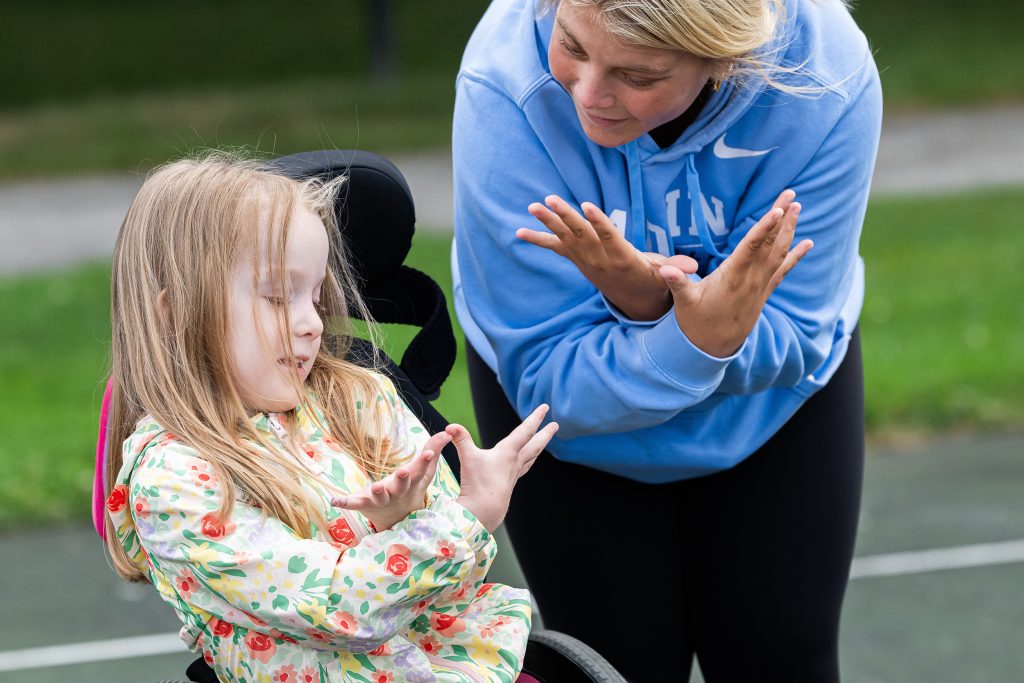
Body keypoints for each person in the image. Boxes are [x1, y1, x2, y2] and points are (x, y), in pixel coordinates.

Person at [452, 0, 881, 680]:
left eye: (638, 74)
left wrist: (652, 309)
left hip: (773, 417)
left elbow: (796, 330)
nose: (588, 93)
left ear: (726, 60)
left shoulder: (825, 74)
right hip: (576, 441)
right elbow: (550, 378)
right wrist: (690, 330)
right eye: (571, 44)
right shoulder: (501, 81)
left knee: (783, 659)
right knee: (612, 666)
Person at [103, 154, 558, 683]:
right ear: (176, 314)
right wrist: (468, 515)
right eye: (278, 297)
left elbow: (458, 581)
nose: (311, 323)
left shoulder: (357, 396)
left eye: (316, 296)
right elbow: (340, 610)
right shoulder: (173, 479)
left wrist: (406, 523)